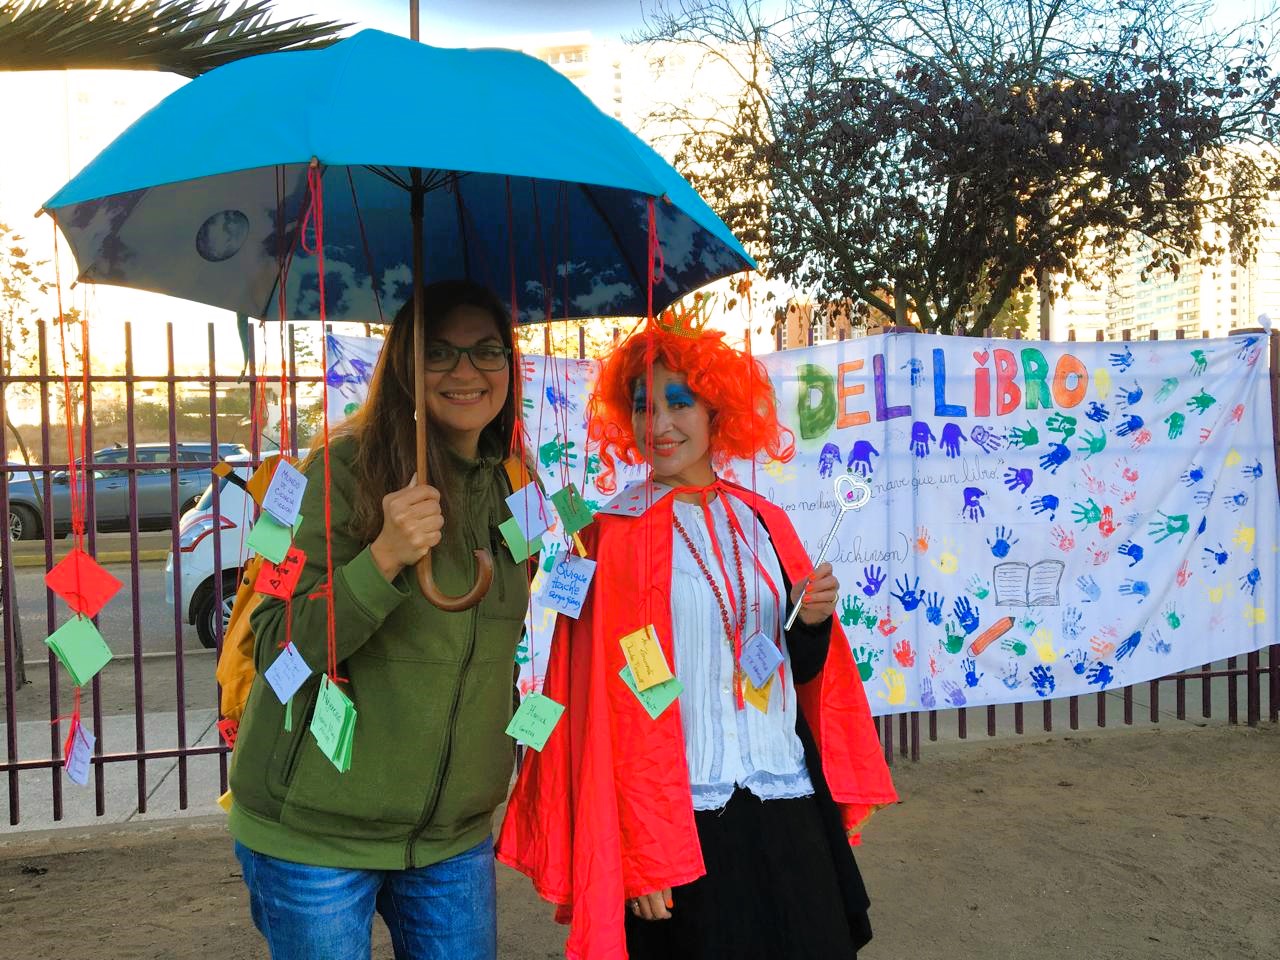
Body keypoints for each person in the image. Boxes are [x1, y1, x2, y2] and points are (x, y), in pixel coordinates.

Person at [497, 322, 898, 960]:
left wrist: (811, 621)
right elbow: (609, 715)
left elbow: (800, 675)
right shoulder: (609, 537)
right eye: (641, 405)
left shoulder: (765, 521)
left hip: (786, 805)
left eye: (678, 401)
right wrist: (641, 850)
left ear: (718, 410)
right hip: (682, 828)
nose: (658, 423)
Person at [227, 280, 531, 960]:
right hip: (315, 837)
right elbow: (277, 651)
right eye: (440, 353)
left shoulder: (512, 486)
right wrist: (384, 557)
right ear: (404, 366)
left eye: (486, 351)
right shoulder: (334, 470)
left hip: (451, 838)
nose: (466, 371)